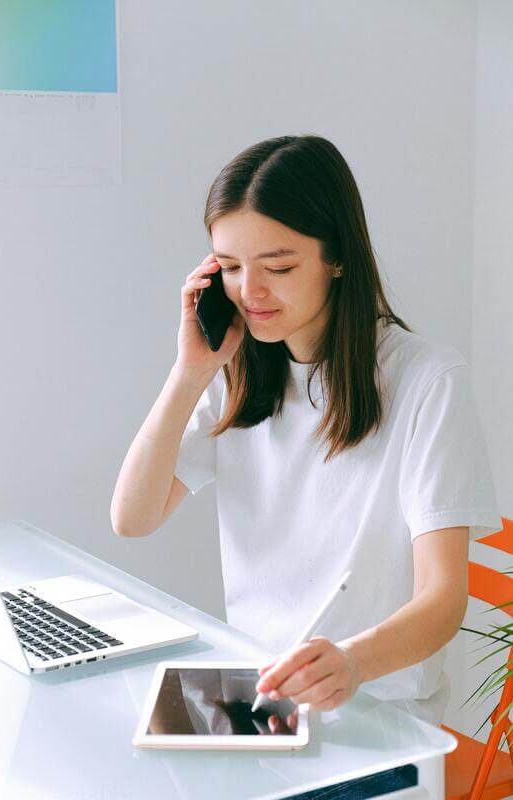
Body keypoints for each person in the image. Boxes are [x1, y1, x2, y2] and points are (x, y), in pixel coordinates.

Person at [110, 135, 502, 798]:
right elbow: (132, 517)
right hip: (258, 702)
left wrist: (350, 662)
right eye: (229, 266)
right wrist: (188, 373)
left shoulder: (425, 382)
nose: (249, 290)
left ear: (338, 259)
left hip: (375, 722)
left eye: (279, 266)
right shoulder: (233, 372)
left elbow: (442, 601)